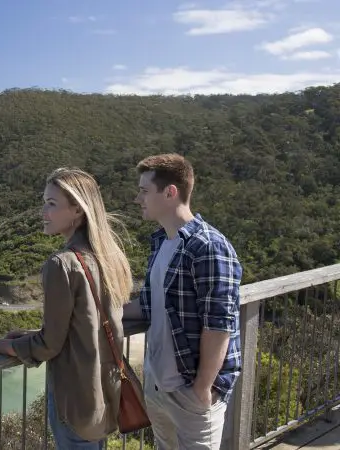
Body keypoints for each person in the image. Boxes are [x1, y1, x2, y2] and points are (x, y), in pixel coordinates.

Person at [0, 167, 134, 449]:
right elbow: (85, 323)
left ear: (77, 209)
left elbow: (47, 346)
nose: (43, 211)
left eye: (52, 204)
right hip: (104, 394)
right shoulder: (108, 257)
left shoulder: (62, 264)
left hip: (75, 400)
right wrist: (32, 333)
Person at [126, 153, 243, 449]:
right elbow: (149, 306)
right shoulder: (162, 243)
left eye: (143, 190)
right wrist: (95, 313)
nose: (137, 198)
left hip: (191, 390)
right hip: (158, 385)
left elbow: (219, 325)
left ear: (170, 192)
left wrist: (203, 388)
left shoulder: (208, 246)